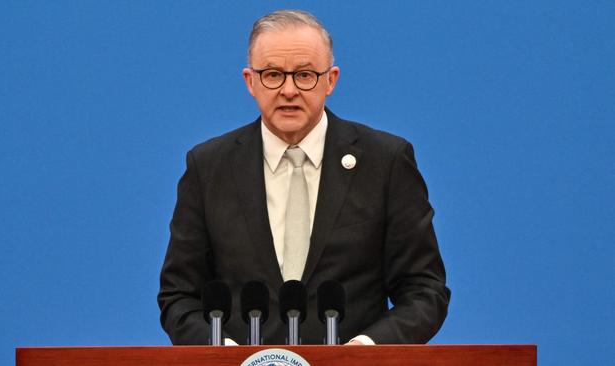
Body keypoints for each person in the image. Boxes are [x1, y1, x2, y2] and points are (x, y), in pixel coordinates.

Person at [158, 9, 450, 345]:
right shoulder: (208, 167)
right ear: (250, 81)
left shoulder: (385, 162)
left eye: (305, 75)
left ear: (331, 79)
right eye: (272, 74)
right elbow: (178, 298)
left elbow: (424, 291)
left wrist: (367, 352)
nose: (288, 90)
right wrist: (226, 355)